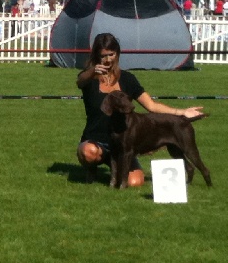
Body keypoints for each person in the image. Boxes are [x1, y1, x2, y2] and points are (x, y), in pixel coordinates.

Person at [76, 32, 204, 186]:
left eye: (111, 54)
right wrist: (92, 72)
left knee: (135, 182)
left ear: (117, 53)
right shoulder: (89, 79)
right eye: (103, 56)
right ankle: (92, 169)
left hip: (123, 143)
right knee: (89, 152)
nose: (108, 59)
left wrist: (182, 112)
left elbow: (152, 106)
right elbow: (80, 81)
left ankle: (117, 168)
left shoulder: (127, 79)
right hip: (97, 141)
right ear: (96, 56)